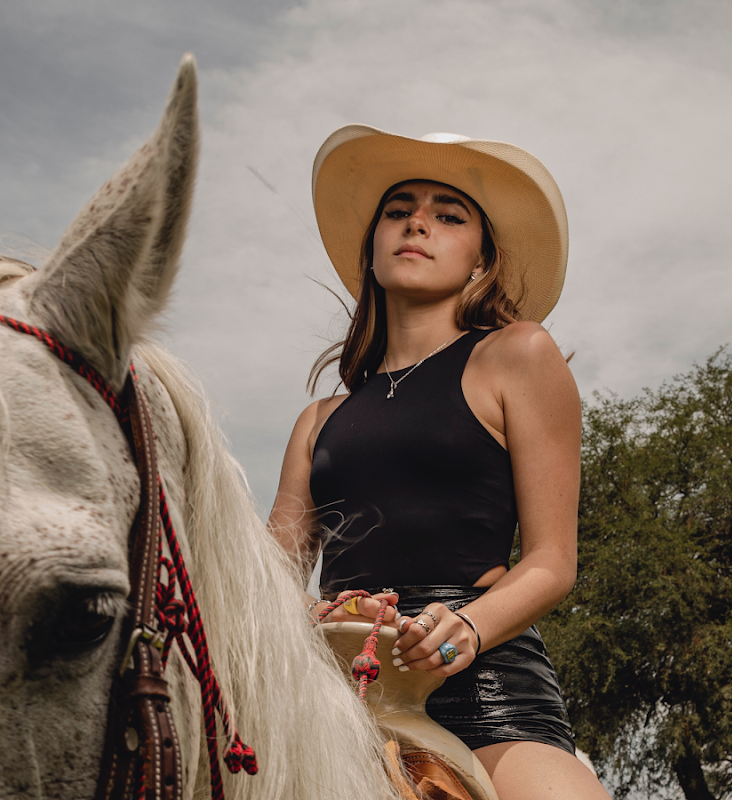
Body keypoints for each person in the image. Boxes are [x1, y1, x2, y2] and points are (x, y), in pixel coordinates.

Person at [267, 125, 608, 799]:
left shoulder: (519, 354)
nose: (417, 223)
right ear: (372, 250)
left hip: (486, 693)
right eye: (399, 211)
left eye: (448, 216)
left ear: (483, 260)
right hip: (335, 696)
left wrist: (465, 631)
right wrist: (315, 615)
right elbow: (269, 575)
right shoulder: (317, 421)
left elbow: (551, 562)